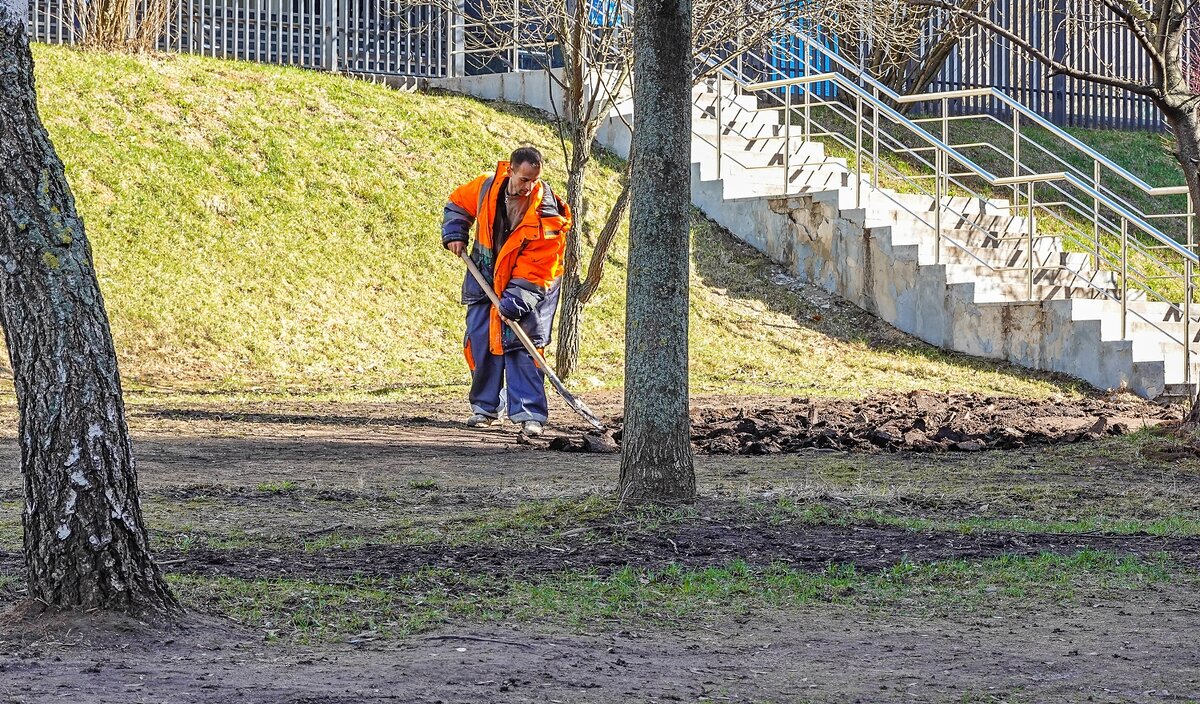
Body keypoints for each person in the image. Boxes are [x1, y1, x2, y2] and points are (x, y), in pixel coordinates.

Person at [441, 146, 571, 437]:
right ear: (511, 170)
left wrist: (517, 299)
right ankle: (485, 407)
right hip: (486, 274)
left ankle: (529, 413)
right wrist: (455, 233)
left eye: (535, 180)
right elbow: (458, 204)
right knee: (481, 339)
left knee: (524, 346)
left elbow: (539, 267)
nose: (529, 186)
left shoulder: (548, 215)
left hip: (534, 284)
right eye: (524, 179)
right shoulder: (487, 187)